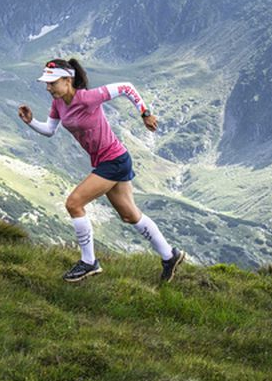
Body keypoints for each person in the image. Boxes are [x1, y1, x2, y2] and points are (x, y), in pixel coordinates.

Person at [18, 58, 184, 283]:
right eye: (46, 83)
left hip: (113, 161)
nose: (48, 87)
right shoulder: (58, 103)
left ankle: (89, 262)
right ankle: (169, 255)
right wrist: (30, 121)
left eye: (52, 83)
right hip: (108, 161)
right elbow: (49, 130)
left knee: (74, 203)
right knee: (129, 215)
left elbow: (126, 87)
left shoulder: (88, 97)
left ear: (68, 80)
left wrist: (145, 114)